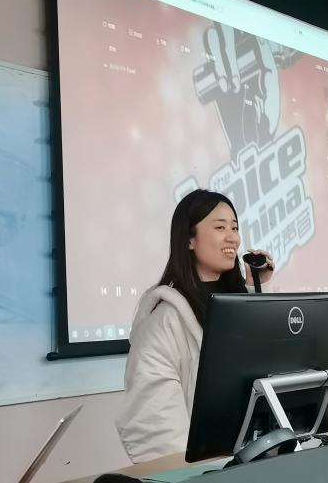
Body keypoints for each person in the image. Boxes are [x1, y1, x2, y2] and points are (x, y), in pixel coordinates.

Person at [115, 189, 274, 463]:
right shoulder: (163, 322)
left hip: (255, 462)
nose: (232, 237)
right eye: (220, 227)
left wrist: (257, 287)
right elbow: (157, 426)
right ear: (189, 240)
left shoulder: (238, 305)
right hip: (210, 471)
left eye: (235, 227)